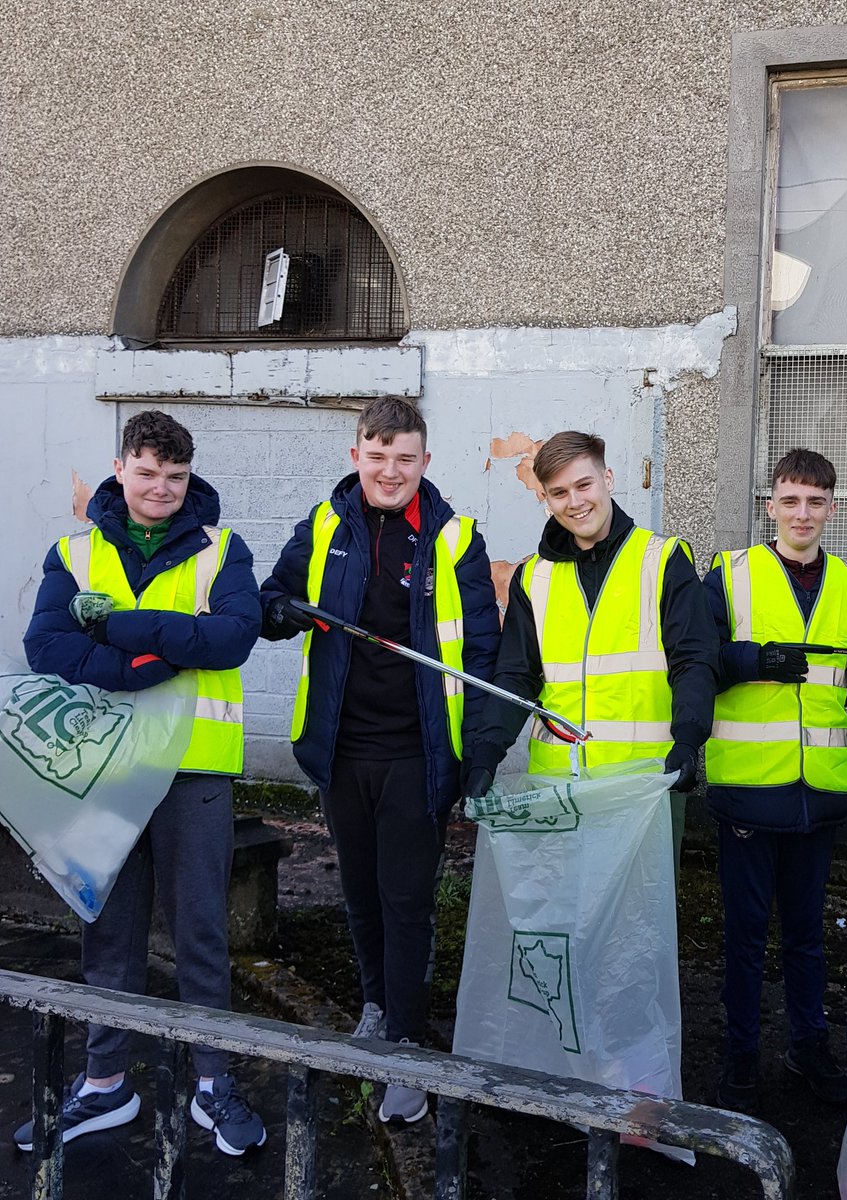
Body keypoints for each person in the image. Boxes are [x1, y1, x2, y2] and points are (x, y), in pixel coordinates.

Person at [16, 409, 265, 1156]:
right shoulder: (74, 550)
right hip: (108, 764)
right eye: (148, 473)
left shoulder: (224, 548)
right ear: (121, 468)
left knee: (200, 929)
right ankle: (105, 1084)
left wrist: (119, 628)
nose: (161, 489)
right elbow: (44, 647)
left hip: (194, 767)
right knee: (110, 926)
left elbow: (233, 638)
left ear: (191, 478)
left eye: (177, 476)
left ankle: (213, 1083)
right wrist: (148, 662)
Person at [259, 394, 499, 1125]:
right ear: (356, 454)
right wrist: (280, 613)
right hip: (342, 751)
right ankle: (374, 1007)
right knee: (359, 893)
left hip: (417, 754)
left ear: (425, 462)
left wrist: (476, 755)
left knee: (407, 903)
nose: (390, 470)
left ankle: (405, 1046)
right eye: (377, 454)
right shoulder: (326, 524)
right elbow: (272, 599)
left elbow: (484, 650)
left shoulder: (456, 538)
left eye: (405, 457)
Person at [703, 448, 847, 1114]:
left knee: (807, 937)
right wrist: (750, 661)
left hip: (821, 797)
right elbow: (697, 661)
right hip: (749, 791)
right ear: (769, 505)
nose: (803, 513)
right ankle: (740, 1059)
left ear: (832, 507)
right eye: (791, 499)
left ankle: (810, 1047)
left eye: (817, 500)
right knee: (745, 937)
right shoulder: (728, 577)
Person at [459, 430, 719, 855]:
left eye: (584, 485)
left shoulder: (662, 560)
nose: (575, 502)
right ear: (545, 499)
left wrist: (689, 741)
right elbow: (515, 676)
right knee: (563, 916)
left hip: (643, 786)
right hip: (558, 792)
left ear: (609, 480)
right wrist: (486, 752)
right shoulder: (534, 579)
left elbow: (694, 660)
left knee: (636, 920)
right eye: (559, 492)